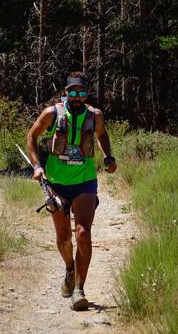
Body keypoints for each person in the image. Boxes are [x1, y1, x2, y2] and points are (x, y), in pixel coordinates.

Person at [26, 71, 117, 311]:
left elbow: (102, 135)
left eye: (82, 92)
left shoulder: (94, 116)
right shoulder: (52, 114)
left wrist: (108, 157)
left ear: (87, 94)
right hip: (55, 183)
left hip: (85, 182)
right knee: (64, 237)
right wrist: (37, 166)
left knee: (83, 233)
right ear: (66, 92)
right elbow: (32, 136)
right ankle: (69, 267)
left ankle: (79, 289)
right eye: (73, 92)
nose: (77, 97)